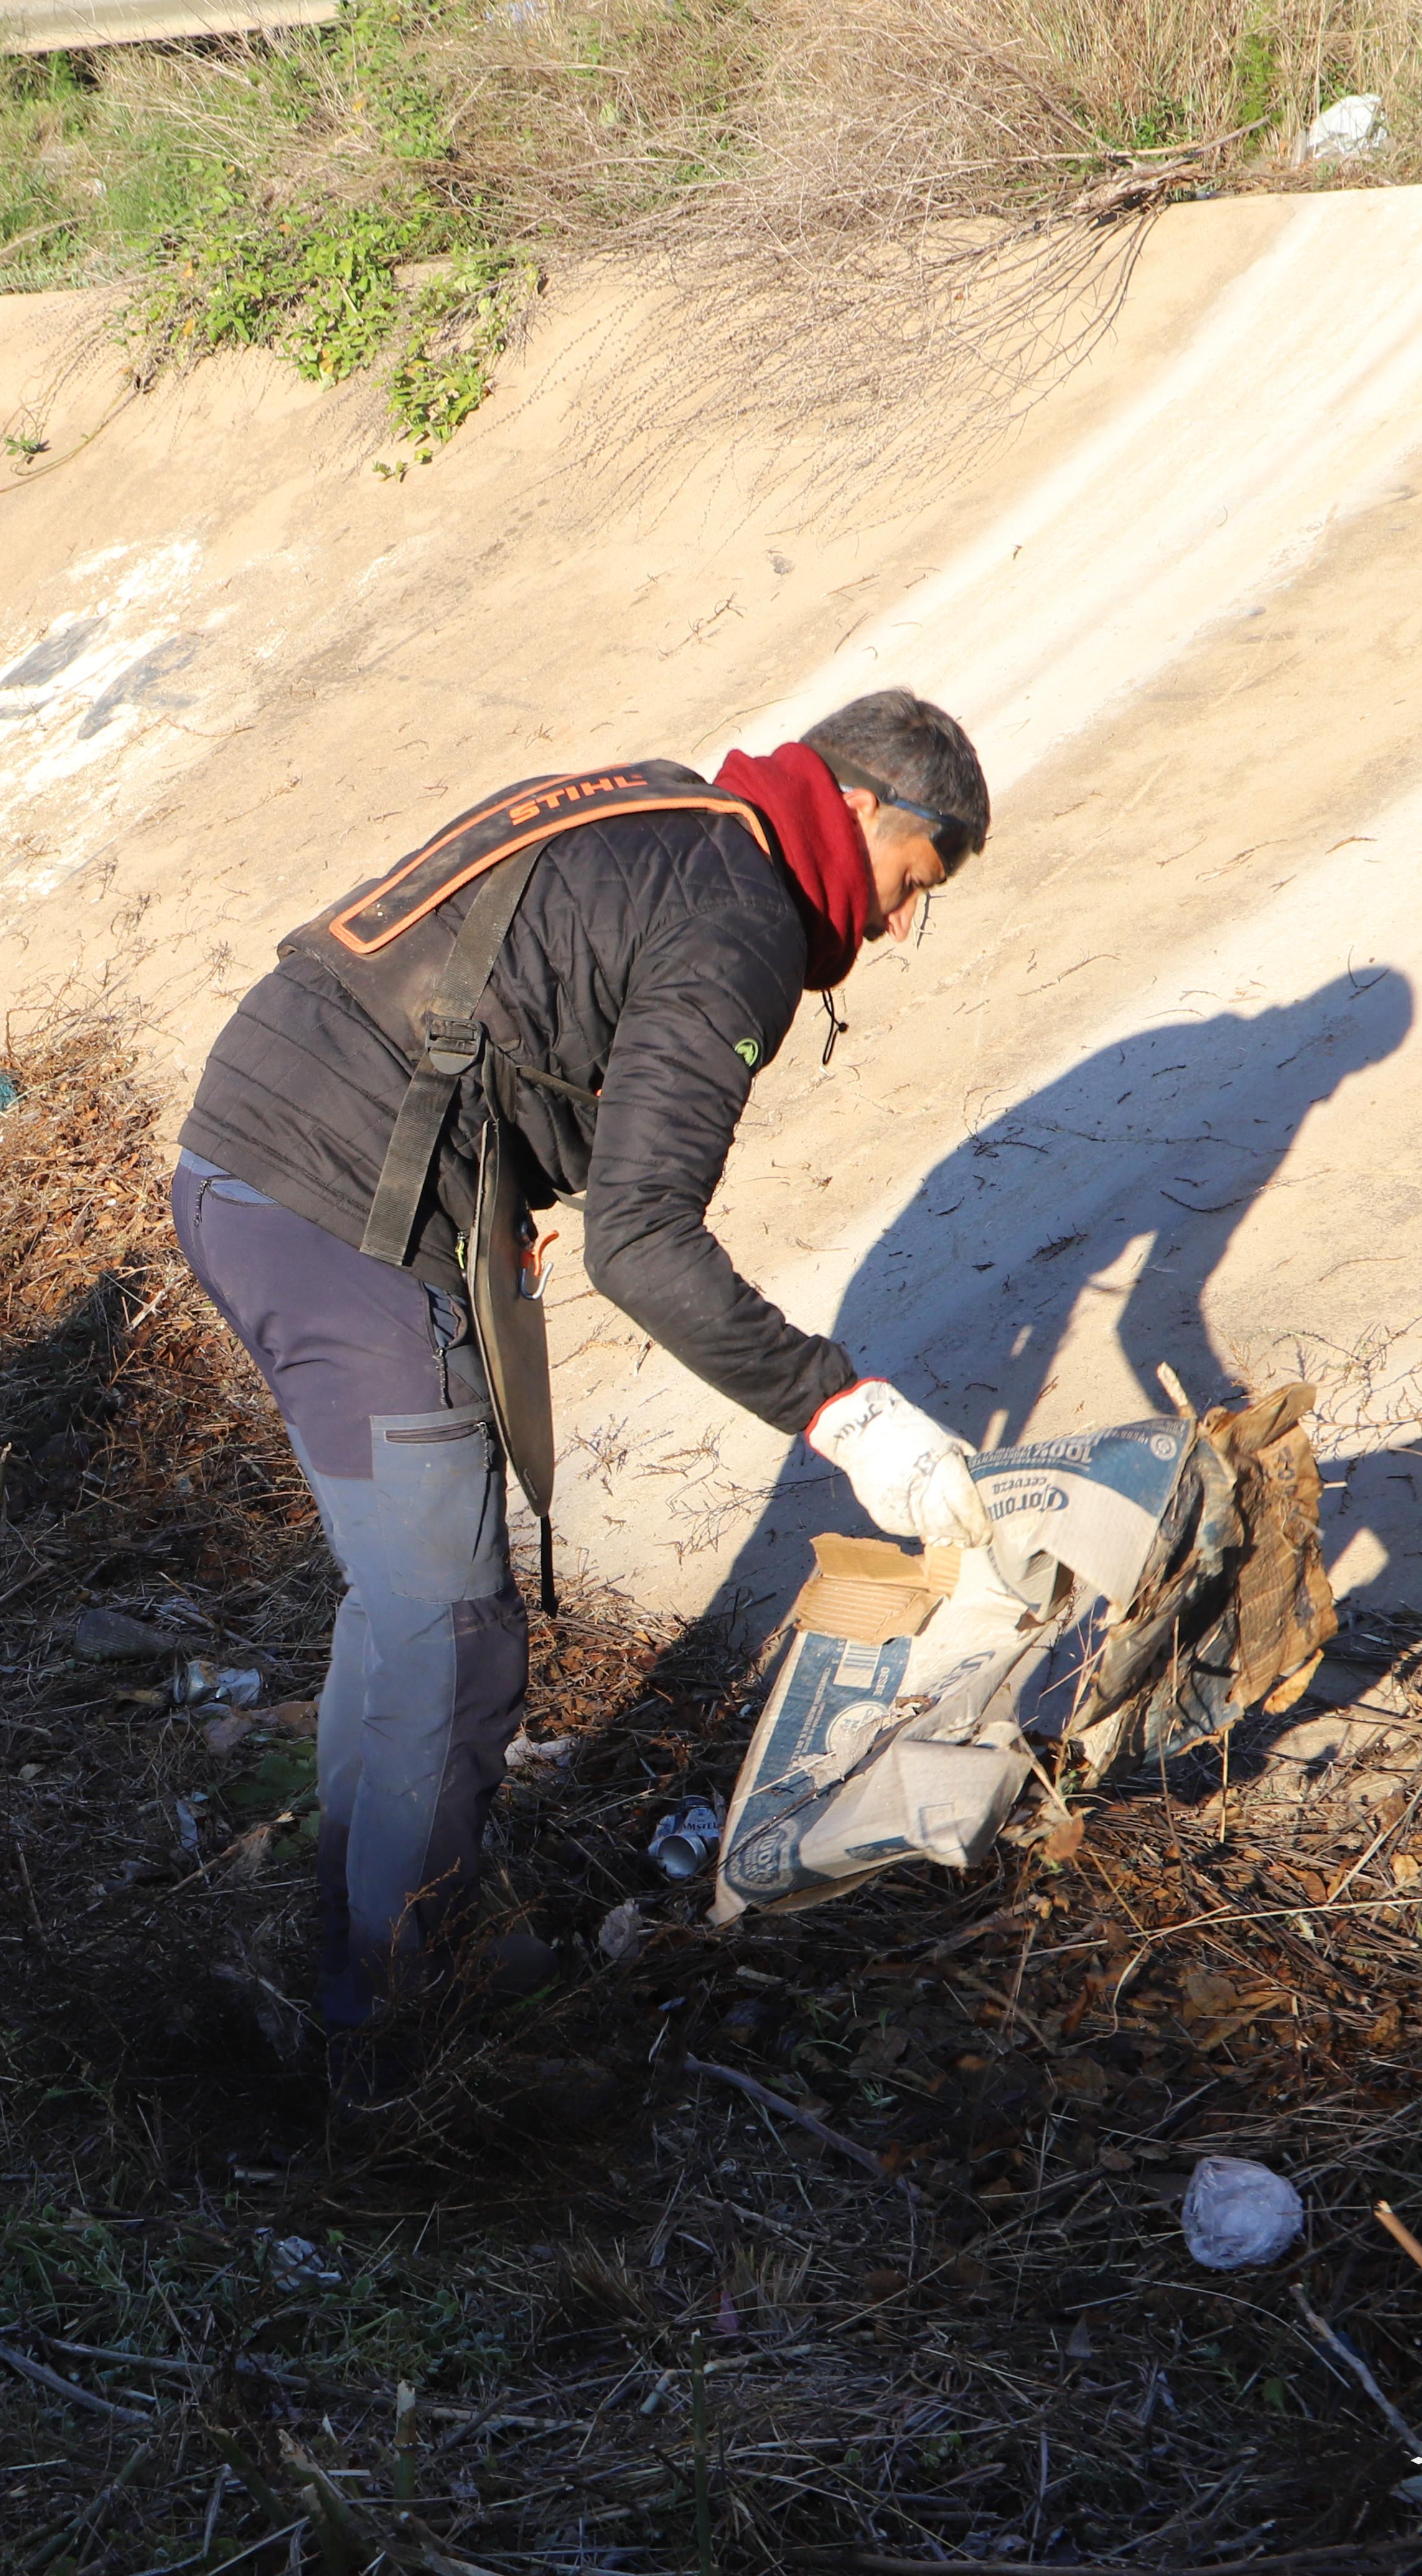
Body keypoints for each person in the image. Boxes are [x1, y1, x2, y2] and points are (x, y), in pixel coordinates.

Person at [172, 688, 995, 2106]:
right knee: (452, 1636)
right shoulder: (738, 916)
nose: (897, 927)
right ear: (861, 806)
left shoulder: (670, 811)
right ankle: (387, 2053)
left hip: (252, 1160)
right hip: (334, 1208)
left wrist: (493, 1178)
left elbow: (482, 982)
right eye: (912, 881)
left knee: (403, 1606)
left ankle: (359, 1957)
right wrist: (848, 1414)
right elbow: (644, 1246)